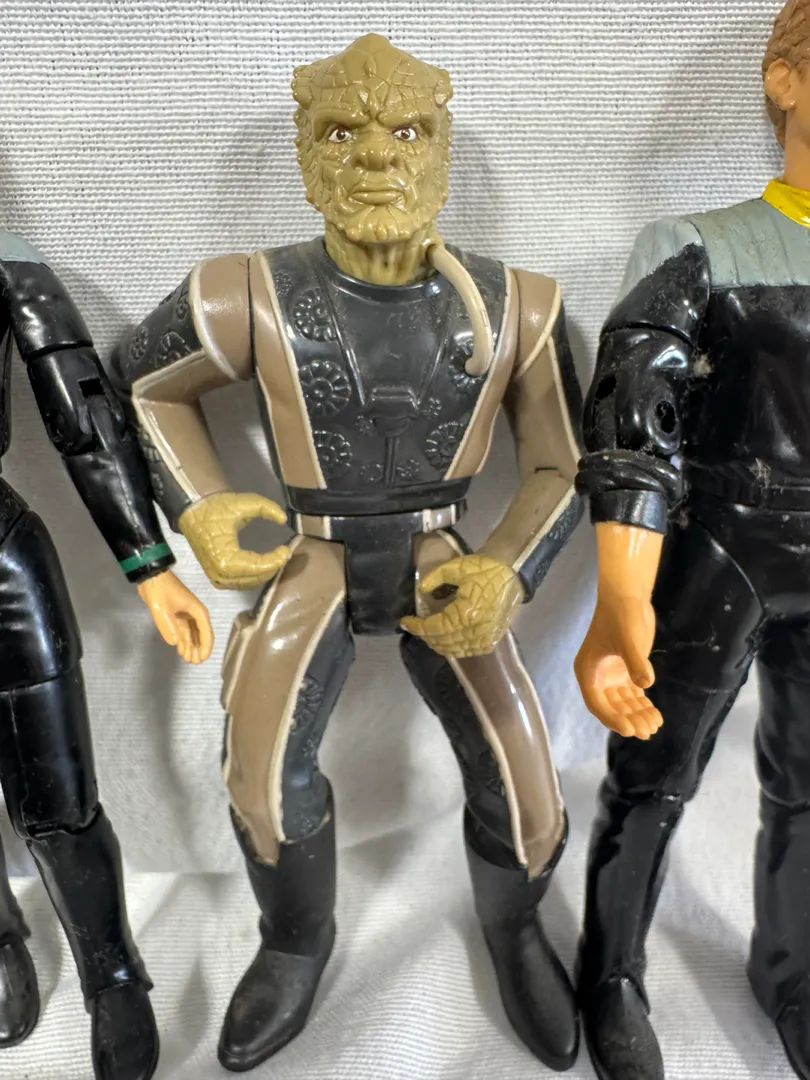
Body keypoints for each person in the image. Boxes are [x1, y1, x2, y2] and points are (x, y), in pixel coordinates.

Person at [115, 33, 583, 1075]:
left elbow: (560, 462)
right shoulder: (246, 293)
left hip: (443, 555)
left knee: (527, 778)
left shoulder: (522, 305)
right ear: (305, 151)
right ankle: (295, 940)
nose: (375, 155)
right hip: (311, 551)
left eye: (407, 130)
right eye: (340, 132)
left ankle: (514, 930)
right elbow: (146, 384)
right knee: (259, 768)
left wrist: (509, 569)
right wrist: (203, 506)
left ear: (442, 146)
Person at [574, 2, 810, 1078]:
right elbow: (636, 421)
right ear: (785, 81)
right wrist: (621, 595)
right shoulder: (700, 247)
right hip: (725, 544)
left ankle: (791, 968)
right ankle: (610, 970)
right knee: (653, 773)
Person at [0, 235, 212, 1080]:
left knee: (60, 794)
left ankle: (113, 972)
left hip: (2, 563)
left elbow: (85, 416)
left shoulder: (8, 266)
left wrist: (148, 563)